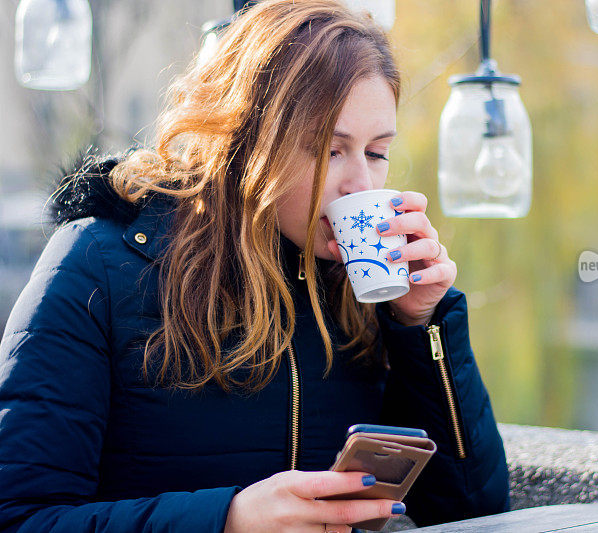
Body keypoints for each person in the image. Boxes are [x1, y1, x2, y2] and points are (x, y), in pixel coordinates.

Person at [0, 1, 509, 532]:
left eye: (377, 152)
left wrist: (422, 325)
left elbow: (473, 514)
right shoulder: (98, 265)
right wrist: (227, 520)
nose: (362, 183)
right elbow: (20, 518)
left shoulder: (359, 292)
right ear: (248, 140)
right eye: (331, 151)